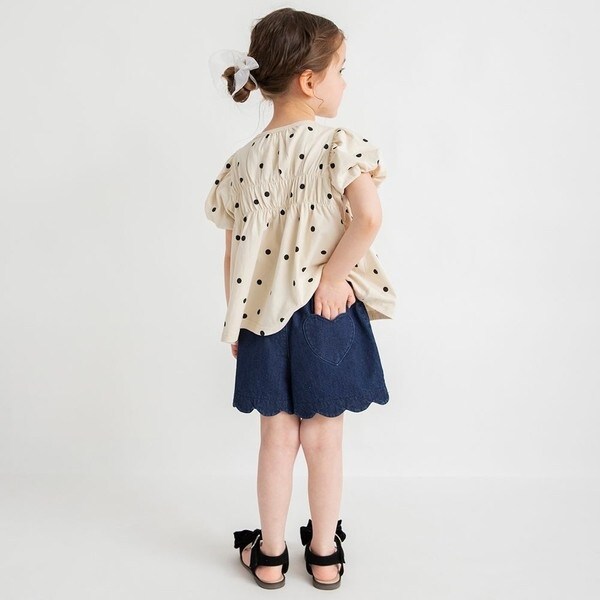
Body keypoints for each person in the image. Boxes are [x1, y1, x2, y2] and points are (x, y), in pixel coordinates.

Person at [204, 7, 396, 590]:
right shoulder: (337, 143)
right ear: (310, 81)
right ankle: (324, 554)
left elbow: (233, 256)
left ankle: (268, 555)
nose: (345, 81)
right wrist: (335, 278)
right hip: (324, 312)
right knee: (324, 437)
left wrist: (235, 322)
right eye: (341, 69)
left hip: (262, 318)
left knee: (276, 437)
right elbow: (368, 217)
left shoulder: (241, 164)